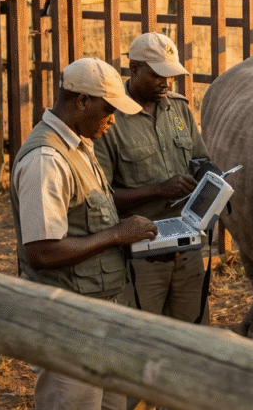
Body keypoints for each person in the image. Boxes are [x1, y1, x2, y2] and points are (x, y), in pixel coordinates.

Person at [11, 56, 157, 410]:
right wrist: (116, 235)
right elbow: (42, 252)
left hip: (94, 311)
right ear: (82, 101)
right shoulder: (46, 159)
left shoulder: (78, 142)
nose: (113, 119)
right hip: (66, 319)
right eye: (108, 109)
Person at [94, 32, 213, 326]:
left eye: (170, 75)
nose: (166, 83)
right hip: (140, 252)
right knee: (140, 334)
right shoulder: (111, 120)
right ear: (134, 68)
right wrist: (158, 190)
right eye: (157, 75)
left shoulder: (179, 108)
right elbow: (100, 199)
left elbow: (199, 160)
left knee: (194, 334)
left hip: (186, 245)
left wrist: (212, 181)